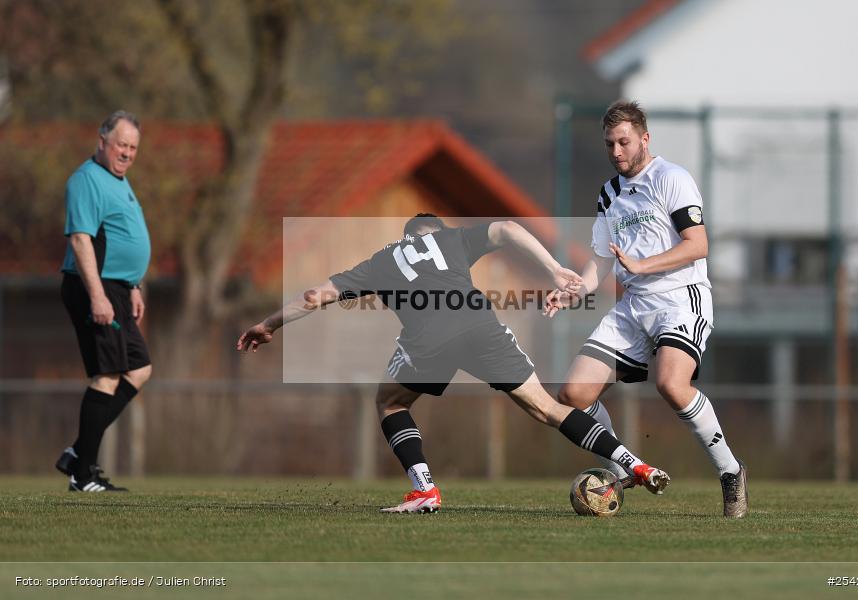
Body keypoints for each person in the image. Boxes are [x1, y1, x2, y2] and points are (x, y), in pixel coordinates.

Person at [237, 214, 670, 513]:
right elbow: (506, 229)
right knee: (548, 409)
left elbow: (315, 296)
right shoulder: (451, 239)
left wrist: (269, 324)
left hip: (430, 341)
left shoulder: (380, 261)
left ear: (406, 237)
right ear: (433, 233)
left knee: (390, 402)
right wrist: (555, 268)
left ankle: (425, 488)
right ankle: (635, 464)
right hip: (481, 325)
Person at [544, 101, 748, 518]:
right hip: (634, 305)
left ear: (644, 138)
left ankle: (730, 471)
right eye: (609, 144)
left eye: (624, 141)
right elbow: (602, 259)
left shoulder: (671, 178)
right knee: (572, 396)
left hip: (679, 296)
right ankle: (624, 469)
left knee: (672, 385)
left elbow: (698, 245)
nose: (617, 151)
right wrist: (577, 289)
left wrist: (642, 265)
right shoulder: (609, 194)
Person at [56, 110, 152, 492]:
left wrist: (133, 285)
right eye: (121, 144)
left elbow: (120, 238)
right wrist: (98, 295)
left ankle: (77, 454)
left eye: (133, 147)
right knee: (107, 375)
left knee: (139, 369)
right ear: (102, 141)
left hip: (118, 288)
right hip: (93, 287)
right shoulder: (87, 180)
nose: (127, 152)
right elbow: (81, 239)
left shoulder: (120, 181)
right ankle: (82, 475)